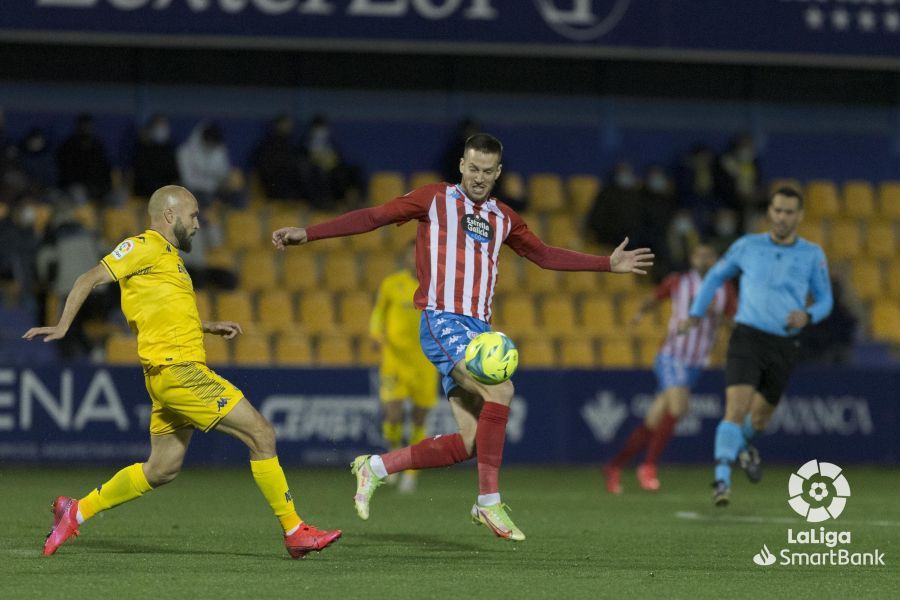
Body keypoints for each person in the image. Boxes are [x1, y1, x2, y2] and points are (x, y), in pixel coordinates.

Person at [272, 133, 653, 541]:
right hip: (441, 320)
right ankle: (488, 503)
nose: (479, 178)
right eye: (473, 168)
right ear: (461, 165)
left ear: (499, 173)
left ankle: (376, 467)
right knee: (501, 392)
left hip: (479, 331)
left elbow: (542, 255)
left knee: (471, 442)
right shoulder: (434, 199)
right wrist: (309, 234)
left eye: (488, 172)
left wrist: (605, 264)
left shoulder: (504, 217)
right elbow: (374, 216)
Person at [24, 185, 340, 559]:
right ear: (170, 216)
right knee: (261, 434)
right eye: (193, 216)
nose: (198, 224)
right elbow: (88, 278)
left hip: (166, 376)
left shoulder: (169, 260)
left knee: (161, 469)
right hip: (180, 371)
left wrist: (206, 326)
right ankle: (293, 530)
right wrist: (62, 325)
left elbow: (163, 312)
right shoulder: (142, 245)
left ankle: (75, 510)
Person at [684, 187, 832, 506]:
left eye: (789, 212)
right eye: (777, 210)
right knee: (736, 409)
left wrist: (808, 315)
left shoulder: (812, 254)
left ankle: (744, 448)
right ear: (770, 212)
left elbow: (826, 300)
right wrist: (696, 313)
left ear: (799, 216)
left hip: (783, 344)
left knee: (760, 418)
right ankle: (722, 480)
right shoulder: (747, 246)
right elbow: (714, 278)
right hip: (747, 337)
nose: (782, 217)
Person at [604, 243, 736, 494]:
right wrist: (639, 315)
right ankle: (649, 467)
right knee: (679, 406)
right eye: (699, 254)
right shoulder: (679, 282)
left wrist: (715, 317)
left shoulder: (725, 289)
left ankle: (614, 466)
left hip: (697, 362)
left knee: (654, 420)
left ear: (715, 258)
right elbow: (654, 298)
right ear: (692, 257)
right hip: (671, 356)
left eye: (708, 254)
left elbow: (734, 321)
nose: (703, 259)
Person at [369, 241, 440, 493]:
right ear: (406, 258)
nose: (417, 259)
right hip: (394, 360)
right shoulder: (391, 284)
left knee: (419, 417)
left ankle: (410, 472)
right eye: (413, 254)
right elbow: (378, 314)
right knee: (393, 414)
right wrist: (376, 336)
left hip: (425, 361)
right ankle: (393, 454)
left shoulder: (436, 287)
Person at [57, 113, 112, 201]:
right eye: (83, 126)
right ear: (78, 127)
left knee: (117, 198)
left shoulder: (97, 146)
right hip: (76, 187)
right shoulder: (68, 146)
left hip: (97, 186)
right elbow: (66, 173)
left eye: (88, 126)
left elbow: (104, 169)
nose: (86, 128)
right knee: (78, 194)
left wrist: (104, 187)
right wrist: (86, 185)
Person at [132, 114, 179, 198]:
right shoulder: (142, 150)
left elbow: (174, 176)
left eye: (164, 127)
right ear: (151, 129)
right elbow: (140, 178)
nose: (162, 130)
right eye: (159, 127)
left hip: (165, 197)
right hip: (144, 196)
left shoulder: (169, 151)